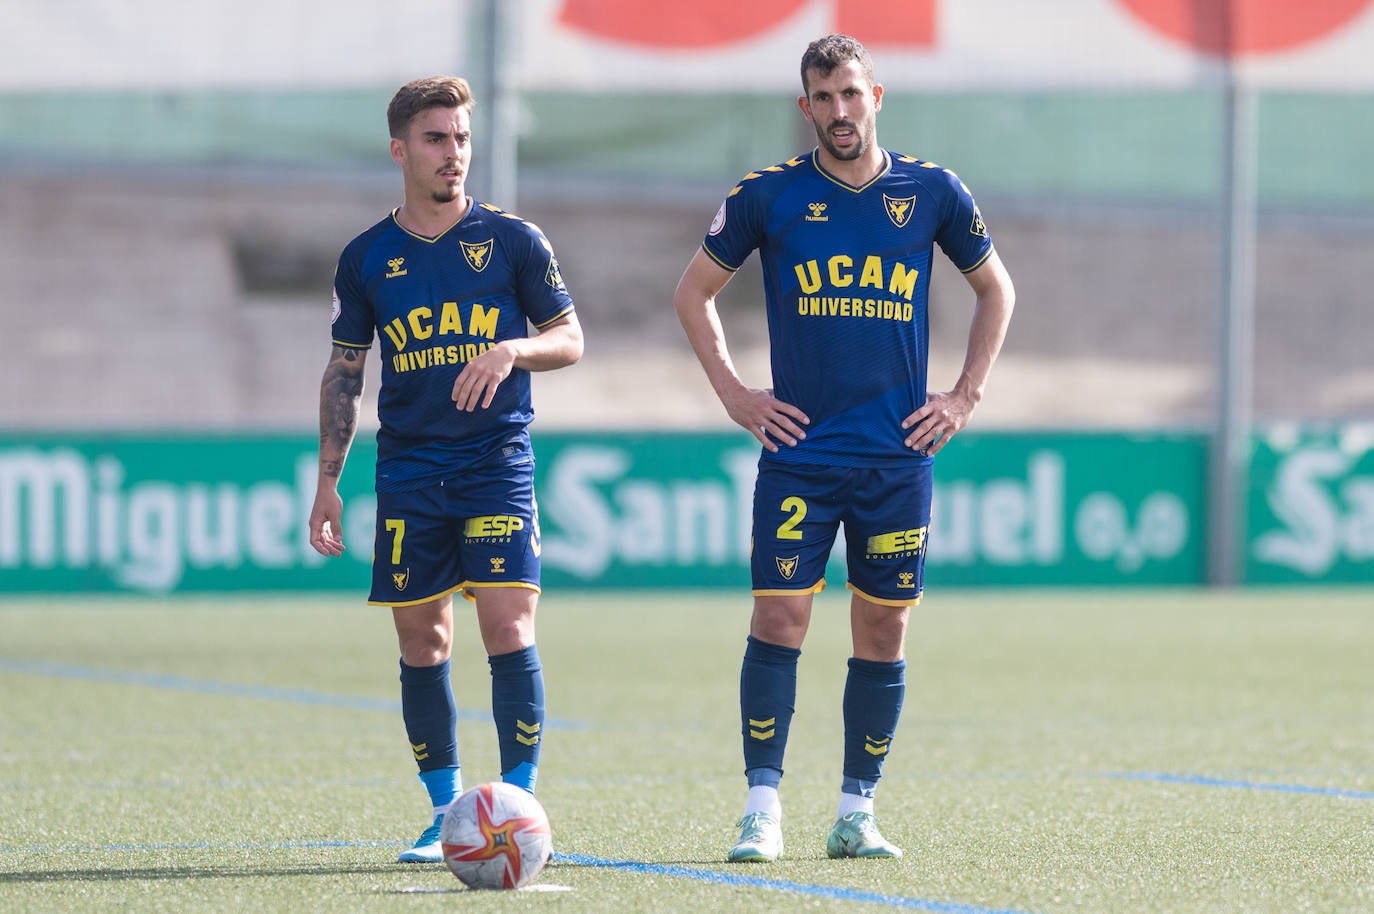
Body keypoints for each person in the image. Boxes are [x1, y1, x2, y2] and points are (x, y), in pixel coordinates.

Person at [673, 34, 1015, 863]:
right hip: (802, 454)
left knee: (884, 629)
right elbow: (693, 293)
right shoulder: (768, 196)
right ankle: (763, 807)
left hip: (898, 458)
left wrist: (964, 396)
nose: (838, 112)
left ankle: (857, 810)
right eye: (822, 99)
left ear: (877, 96)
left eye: (850, 95)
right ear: (805, 109)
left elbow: (995, 287)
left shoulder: (931, 192)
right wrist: (734, 393)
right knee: (781, 616)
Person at [308, 75, 583, 863]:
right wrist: (330, 479)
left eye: (461, 138)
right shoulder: (367, 258)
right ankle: (442, 813)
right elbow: (344, 373)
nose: (453, 153)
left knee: (507, 626)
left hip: (496, 462)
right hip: (409, 471)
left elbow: (569, 338)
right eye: (436, 139)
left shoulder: (514, 241)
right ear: (400, 150)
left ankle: (518, 803)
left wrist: (511, 348)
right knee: (422, 640)